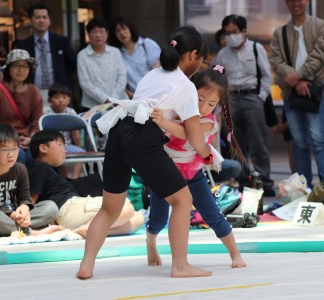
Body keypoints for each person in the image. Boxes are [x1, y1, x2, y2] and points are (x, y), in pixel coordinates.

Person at [76, 26, 212, 279]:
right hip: (142, 136)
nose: (200, 65)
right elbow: (194, 134)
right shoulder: (185, 85)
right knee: (182, 200)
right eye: (201, 59)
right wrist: (208, 155)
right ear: (193, 55)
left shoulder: (152, 75)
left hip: (118, 132)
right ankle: (180, 265)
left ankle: (86, 264)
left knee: (109, 208)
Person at [146, 66, 246, 268]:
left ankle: (235, 253)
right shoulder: (176, 110)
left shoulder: (209, 123)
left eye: (211, 103)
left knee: (212, 215)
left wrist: (164, 122)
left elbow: (187, 134)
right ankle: (151, 242)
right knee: (158, 218)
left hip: (192, 175)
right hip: (165, 172)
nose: (204, 107)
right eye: (200, 99)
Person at [28, 130, 144, 237]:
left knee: (138, 218)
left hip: (74, 209)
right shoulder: (38, 167)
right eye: (60, 145)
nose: (64, 150)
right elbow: (30, 202)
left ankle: (88, 232)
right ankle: (88, 228)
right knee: (124, 206)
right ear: (43, 148)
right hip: (68, 209)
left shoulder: (51, 170)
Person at [270, 0, 324, 187]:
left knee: (319, 141)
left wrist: (298, 76)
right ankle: (303, 187)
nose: (295, 3)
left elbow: (320, 55)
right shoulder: (280, 32)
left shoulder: (320, 26)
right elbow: (276, 60)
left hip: (314, 91)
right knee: (298, 142)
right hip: (291, 94)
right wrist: (296, 81)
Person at [214, 15, 275, 195]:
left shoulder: (256, 49)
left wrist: (261, 97)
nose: (231, 36)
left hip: (252, 97)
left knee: (258, 143)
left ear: (243, 32)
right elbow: (216, 78)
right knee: (235, 143)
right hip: (231, 100)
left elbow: (266, 75)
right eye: (227, 33)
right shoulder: (222, 54)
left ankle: (264, 182)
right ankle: (243, 181)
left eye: (234, 32)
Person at [0, 124, 61, 237]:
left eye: (14, 149)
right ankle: (32, 232)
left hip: (15, 216)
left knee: (51, 207)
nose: (11, 154)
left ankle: (8, 230)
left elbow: (24, 198)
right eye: (4, 149)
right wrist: (12, 215)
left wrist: (24, 209)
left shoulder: (20, 169)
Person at [0, 49, 43, 166]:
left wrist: (32, 139)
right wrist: (10, 141)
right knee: (18, 155)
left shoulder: (34, 91)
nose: (21, 70)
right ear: (8, 68)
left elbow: (37, 122)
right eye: (16, 66)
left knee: (38, 154)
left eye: (25, 66)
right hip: (1, 139)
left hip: (26, 138)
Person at [17, 3, 77, 91]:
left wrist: (63, 78)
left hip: (59, 93)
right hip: (31, 92)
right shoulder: (23, 45)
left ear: (49, 21)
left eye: (44, 17)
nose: (41, 20)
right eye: (37, 17)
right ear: (30, 21)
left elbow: (73, 63)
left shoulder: (61, 41)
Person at [77, 18, 128, 109]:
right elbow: (85, 83)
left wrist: (113, 99)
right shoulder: (82, 56)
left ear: (107, 34)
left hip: (118, 103)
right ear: (88, 34)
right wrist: (105, 99)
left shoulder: (115, 52)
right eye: (94, 32)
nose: (98, 35)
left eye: (101, 31)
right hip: (93, 106)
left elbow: (122, 77)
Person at [110, 16, 161, 99]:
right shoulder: (117, 54)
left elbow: (157, 71)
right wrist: (133, 96)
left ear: (130, 29)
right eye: (117, 31)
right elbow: (119, 81)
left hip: (154, 95)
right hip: (134, 98)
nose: (122, 33)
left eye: (124, 28)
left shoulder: (147, 44)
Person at [44, 83, 84, 179]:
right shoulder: (46, 112)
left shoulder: (71, 112)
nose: (61, 100)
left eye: (64, 97)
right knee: (58, 155)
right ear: (49, 100)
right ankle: (65, 180)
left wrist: (79, 148)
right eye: (56, 97)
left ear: (69, 100)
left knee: (82, 154)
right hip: (52, 145)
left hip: (68, 145)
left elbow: (76, 134)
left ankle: (75, 179)